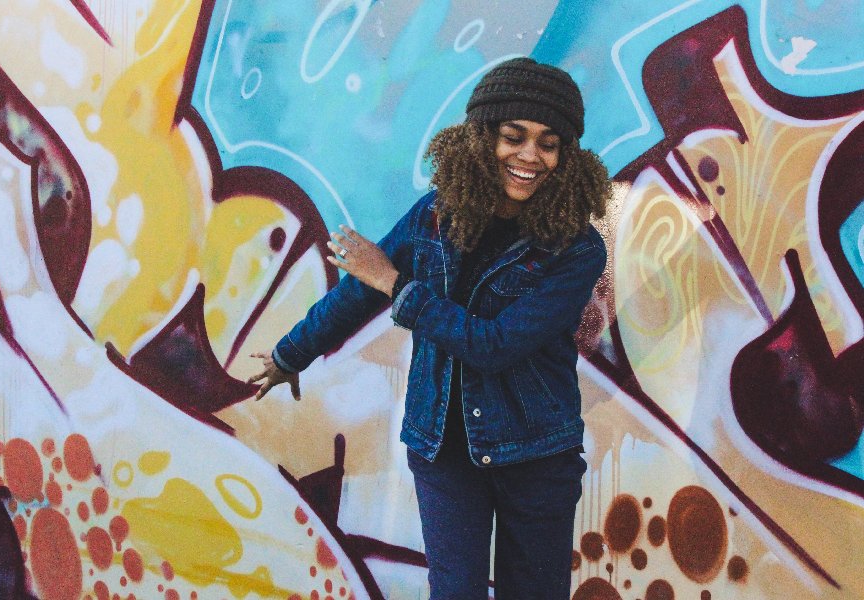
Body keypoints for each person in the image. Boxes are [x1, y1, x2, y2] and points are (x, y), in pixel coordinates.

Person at [249, 57, 611, 599]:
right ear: (481, 138)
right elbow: (358, 291)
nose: (530, 155)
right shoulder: (435, 216)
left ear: (567, 156)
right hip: (443, 449)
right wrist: (290, 354)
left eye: (549, 143)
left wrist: (396, 285)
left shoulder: (577, 249)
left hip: (535, 454)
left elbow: (495, 345)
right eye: (513, 137)